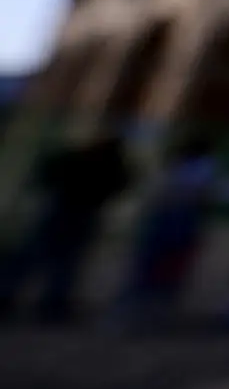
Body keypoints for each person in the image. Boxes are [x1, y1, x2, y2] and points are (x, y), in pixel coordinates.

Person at [0, 125, 133, 323]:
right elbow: (123, 183)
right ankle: (49, 303)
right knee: (63, 260)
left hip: (67, 209)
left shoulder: (82, 156)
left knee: (39, 255)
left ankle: (15, 296)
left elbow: (50, 173)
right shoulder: (109, 162)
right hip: (81, 211)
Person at [113, 134, 221, 326]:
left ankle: (145, 306)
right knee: (158, 266)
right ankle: (145, 306)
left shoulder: (193, 167)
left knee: (158, 265)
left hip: (173, 220)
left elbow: (182, 193)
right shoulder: (200, 168)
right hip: (175, 221)